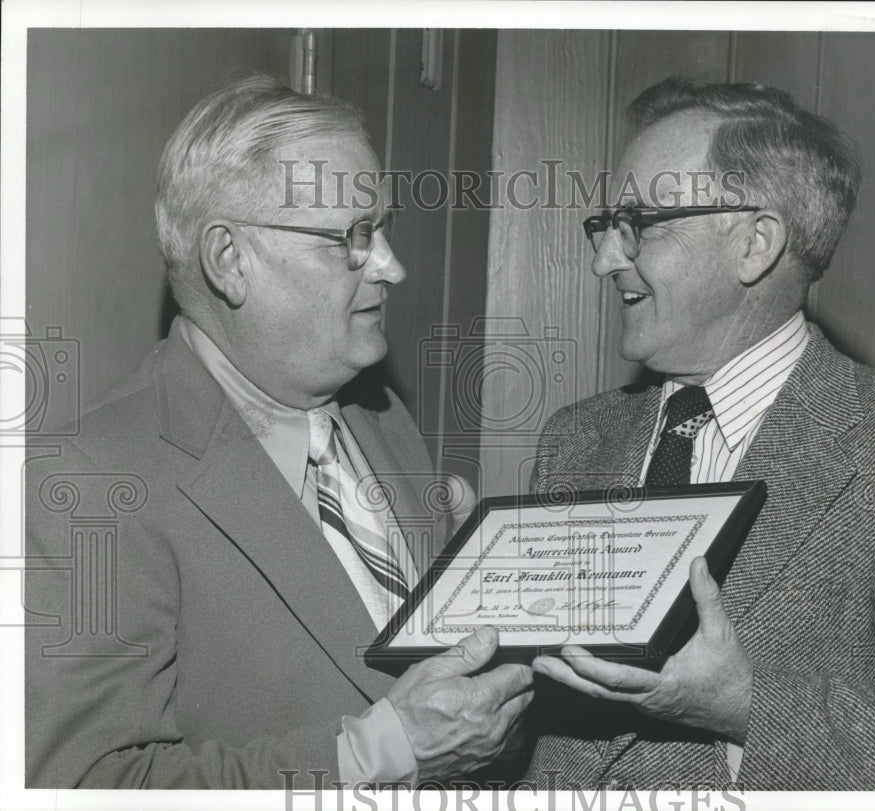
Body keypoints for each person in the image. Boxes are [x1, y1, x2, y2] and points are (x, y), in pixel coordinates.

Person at [24, 75, 532, 789]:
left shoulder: (379, 412)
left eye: (381, 228)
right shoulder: (89, 477)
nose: (391, 265)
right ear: (231, 259)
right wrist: (379, 749)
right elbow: (82, 784)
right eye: (352, 237)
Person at [523, 77, 875, 790]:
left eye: (639, 223)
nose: (603, 259)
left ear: (755, 244)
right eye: (604, 225)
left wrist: (747, 707)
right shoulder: (572, 439)